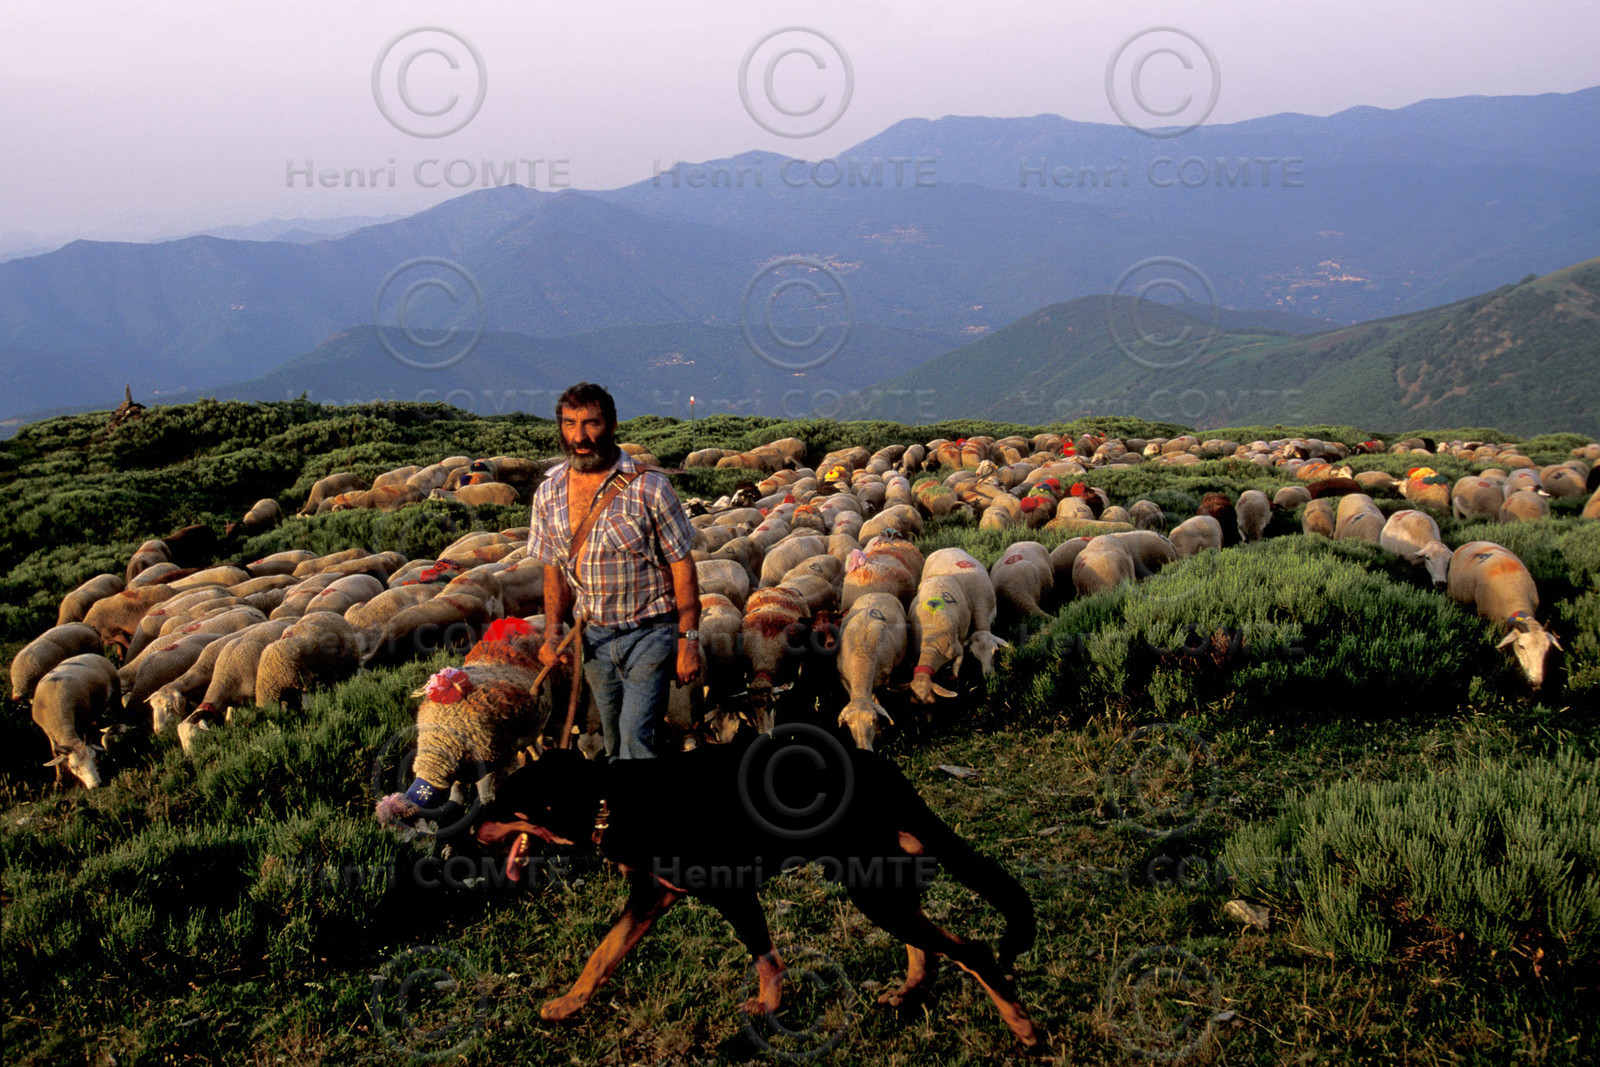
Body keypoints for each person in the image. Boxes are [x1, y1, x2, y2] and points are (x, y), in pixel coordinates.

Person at [529, 383, 699, 759]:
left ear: (612, 425)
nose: (580, 436)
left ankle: (635, 815)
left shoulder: (651, 488)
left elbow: (682, 566)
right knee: (611, 736)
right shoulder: (549, 493)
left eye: (591, 424)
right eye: (570, 424)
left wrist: (689, 640)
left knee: (635, 736)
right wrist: (552, 633)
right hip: (592, 637)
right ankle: (617, 809)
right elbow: (553, 572)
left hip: (650, 631)